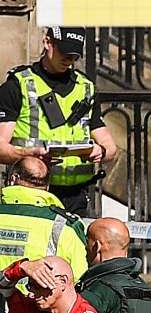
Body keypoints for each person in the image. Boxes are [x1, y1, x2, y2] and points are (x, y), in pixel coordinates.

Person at [0, 29, 113, 219]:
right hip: (30, 191)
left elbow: (110, 146)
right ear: (47, 42)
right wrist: (27, 154)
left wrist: (100, 151)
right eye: (64, 53)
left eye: (74, 56)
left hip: (76, 195)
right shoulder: (18, 85)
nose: (68, 60)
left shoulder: (86, 88)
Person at [0, 147, 89, 283]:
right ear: (47, 186)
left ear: (13, 179)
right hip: (38, 302)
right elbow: (79, 279)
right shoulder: (67, 225)